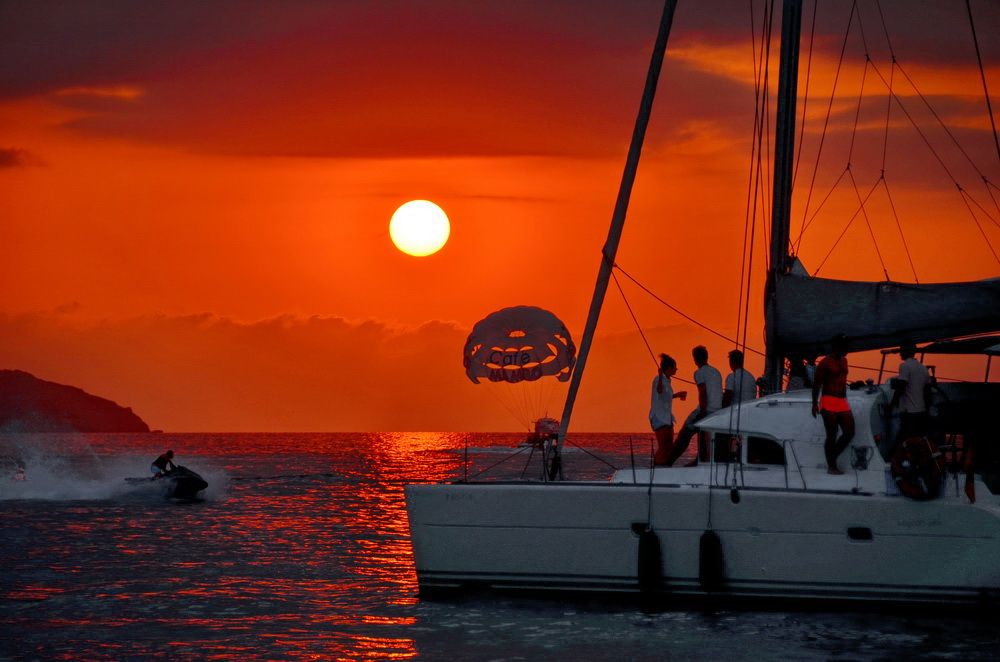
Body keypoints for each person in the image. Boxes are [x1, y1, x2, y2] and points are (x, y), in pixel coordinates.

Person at [666, 346, 723, 466]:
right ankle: (699, 460)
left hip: (706, 409)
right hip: (717, 411)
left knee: (685, 432)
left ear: (695, 359)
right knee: (702, 436)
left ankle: (668, 461)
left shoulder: (699, 373)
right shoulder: (716, 372)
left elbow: (702, 394)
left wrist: (702, 415)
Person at [811, 334, 854, 474]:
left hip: (841, 401)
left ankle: (831, 457)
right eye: (845, 347)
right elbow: (816, 384)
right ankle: (832, 466)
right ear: (837, 346)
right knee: (832, 434)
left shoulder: (844, 361)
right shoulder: (825, 363)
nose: (847, 350)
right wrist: (814, 404)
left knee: (849, 432)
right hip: (828, 400)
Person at [649, 353, 687, 466]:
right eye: (675, 367)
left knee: (669, 444)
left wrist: (676, 395)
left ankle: (665, 464)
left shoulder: (667, 381)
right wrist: (660, 375)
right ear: (669, 368)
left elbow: (664, 396)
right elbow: (659, 391)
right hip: (659, 416)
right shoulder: (658, 379)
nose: (676, 369)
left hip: (666, 416)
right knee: (663, 445)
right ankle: (657, 466)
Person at [891, 341, 932, 444]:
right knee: (917, 441)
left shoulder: (905, 365)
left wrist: (891, 405)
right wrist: (926, 410)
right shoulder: (923, 368)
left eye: (901, 350)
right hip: (921, 412)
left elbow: (901, 386)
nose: (900, 353)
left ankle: (894, 459)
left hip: (909, 412)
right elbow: (928, 391)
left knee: (903, 441)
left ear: (906, 351)